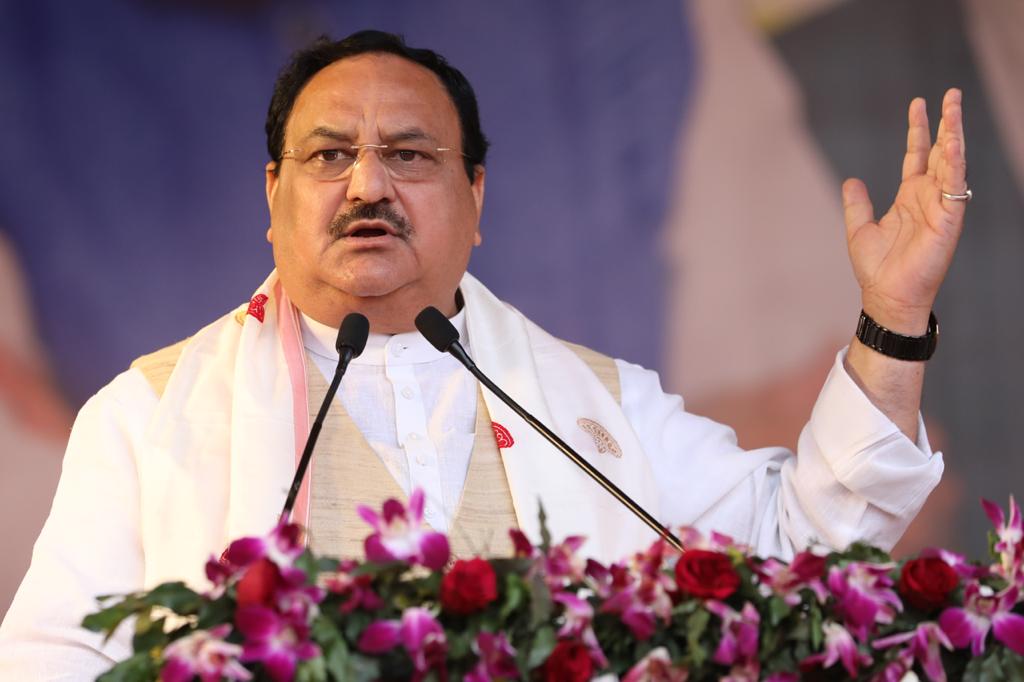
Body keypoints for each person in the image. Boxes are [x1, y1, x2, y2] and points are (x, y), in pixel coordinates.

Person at [0, 29, 968, 678]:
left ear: (475, 199)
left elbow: (809, 545)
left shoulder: (600, 405)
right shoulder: (147, 417)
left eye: (410, 154)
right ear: (273, 197)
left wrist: (892, 314)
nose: (366, 183)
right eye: (328, 155)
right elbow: (48, 662)